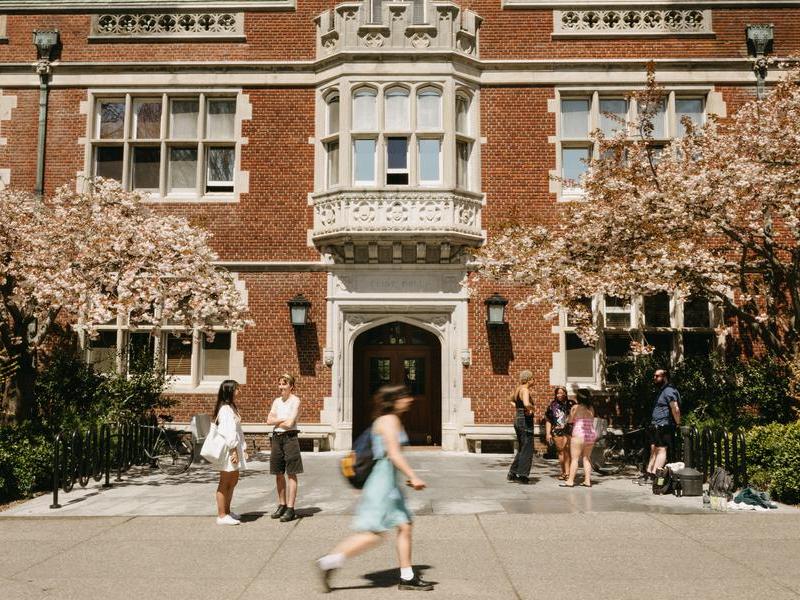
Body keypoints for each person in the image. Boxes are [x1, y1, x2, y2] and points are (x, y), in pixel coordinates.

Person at [316, 385, 433, 593]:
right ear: (394, 400)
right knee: (374, 534)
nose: (410, 399)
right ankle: (328, 561)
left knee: (404, 525)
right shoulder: (390, 421)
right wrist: (413, 476)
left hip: (386, 482)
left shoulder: (386, 420)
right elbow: (394, 454)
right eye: (405, 396)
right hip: (382, 486)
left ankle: (407, 577)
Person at [267, 373, 303, 522]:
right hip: (276, 438)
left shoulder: (295, 400)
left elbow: (290, 424)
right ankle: (281, 504)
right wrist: (281, 420)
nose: (281, 386)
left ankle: (290, 508)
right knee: (278, 472)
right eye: (280, 383)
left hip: (290, 438)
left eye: (284, 384)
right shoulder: (277, 401)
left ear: (291, 386)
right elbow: (268, 420)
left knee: (291, 473)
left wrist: (277, 421)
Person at [638, 368, 681, 485]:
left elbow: (675, 408)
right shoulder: (662, 390)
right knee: (656, 450)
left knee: (661, 450)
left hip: (664, 425)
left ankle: (654, 476)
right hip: (657, 425)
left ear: (665, 377)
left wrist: (678, 423)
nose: (655, 378)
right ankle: (650, 474)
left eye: (657, 376)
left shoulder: (669, 390)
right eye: (654, 376)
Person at [214, 379, 247, 525]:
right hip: (229, 450)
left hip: (235, 449)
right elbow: (228, 432)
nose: (239, 391)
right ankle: (221, 515)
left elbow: (238, 431)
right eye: (236, 389)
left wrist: (243, 449)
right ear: (229, 391)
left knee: (233, 480)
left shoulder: (232, 407)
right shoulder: (225, 410)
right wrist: (234, 450)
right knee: (225, 481)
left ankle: (227, 511)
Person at [560, 388, 596, 488]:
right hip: (590, 433)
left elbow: (570, 421)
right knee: (586, 458)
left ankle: (570, 481)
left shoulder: (575, 407)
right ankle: (587, 481)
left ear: (579, 398)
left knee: (575, 459)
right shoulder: (591, 408)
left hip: (579, 434)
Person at [507, 370, 535, 484]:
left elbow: (510, 400)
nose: (534, 381)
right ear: (529, 379)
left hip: (518, 419)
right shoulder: (525, 390)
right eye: (533, 378)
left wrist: (518, 409)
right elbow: (526, 403)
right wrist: (532, 408)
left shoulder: (518, 389)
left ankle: (513, 472)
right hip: (525, 420)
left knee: (522, 447)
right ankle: (523, 475)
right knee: (527, 447)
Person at [545, 386, 574, 480]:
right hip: (557, 431)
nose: (560, 395)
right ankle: (564, 472)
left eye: (562, 392)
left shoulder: (571, 404)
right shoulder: (552, 405)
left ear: (565, 393)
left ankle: (568, 473)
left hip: (569, 430)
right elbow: (548, 420)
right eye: (558, 393)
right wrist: (548, 433)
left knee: (568, 452)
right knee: (561, 452)